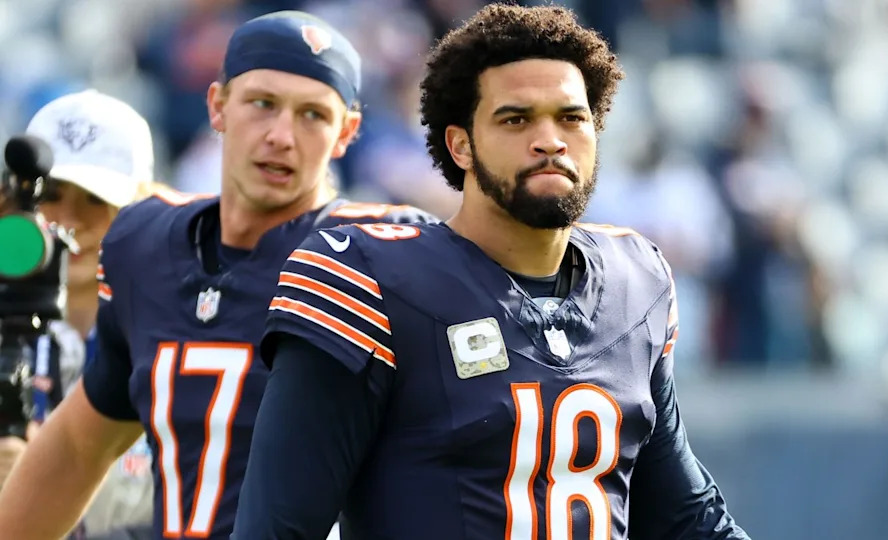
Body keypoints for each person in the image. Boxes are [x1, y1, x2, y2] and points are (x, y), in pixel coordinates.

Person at [232, 4, 751, 539]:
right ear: (460, 144)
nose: (550, 139)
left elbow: (685, 519)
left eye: (571, 117)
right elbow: (277, 530)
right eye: (516, 118)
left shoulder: (636, 281)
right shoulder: (370, 277)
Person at [0, 10, 435, 540]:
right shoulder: (147, 244)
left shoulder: (381, 252)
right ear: (217, 106)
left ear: (347, 132)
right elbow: (78, 447)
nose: (281, 135)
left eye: (313, 116)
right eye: (262, 104)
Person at [0, 89, 159, 539]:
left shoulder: (177, 331)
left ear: (144, 203)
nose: (68, 219)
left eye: (95, 198)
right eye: (50, 195)